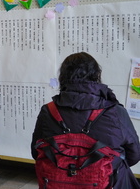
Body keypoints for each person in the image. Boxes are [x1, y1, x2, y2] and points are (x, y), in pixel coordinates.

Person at [31, 52, 140, 189]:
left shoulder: (48, 111)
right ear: (96, 76)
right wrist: (102, 166)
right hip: (106, 183)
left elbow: (36, 152)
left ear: (63, 77)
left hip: (57, 183)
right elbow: (134, 154)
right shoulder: (116, 112)